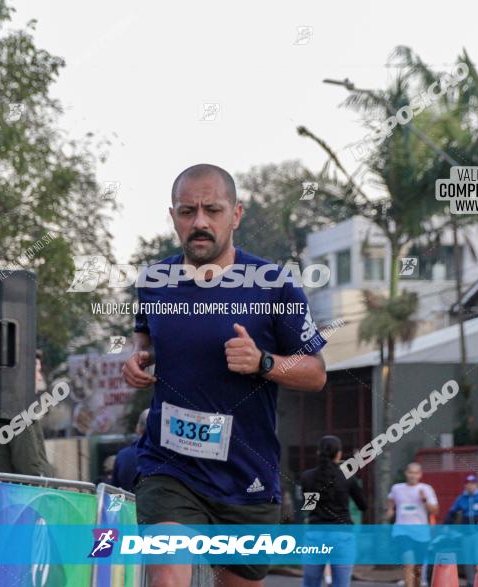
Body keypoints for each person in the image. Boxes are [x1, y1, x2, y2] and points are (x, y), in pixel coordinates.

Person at [122, 163, 327, 586]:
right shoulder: (155, 280)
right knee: (167, 573)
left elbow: (316, 373)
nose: (199, 222)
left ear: (236, 215)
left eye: (212, 210)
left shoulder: (274, 286)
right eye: (187, 211)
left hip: (246, 476)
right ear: (174, 216)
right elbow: (143, 335)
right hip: (169, 466)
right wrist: (136, 358)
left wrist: (264, 363)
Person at [299, 435, 367, 587]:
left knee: (310, 583)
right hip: (342, 536)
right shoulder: (347, 477)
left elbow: (308, 507)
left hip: (315, 536)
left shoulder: (307, 477)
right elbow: (363, 505)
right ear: (339, 454)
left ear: (318, 453)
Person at [0, 350, 55, 477]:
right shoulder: (19, 411)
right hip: (23, 494)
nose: (39, 377)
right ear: (23, 374)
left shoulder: (4, 407)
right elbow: (30, 468)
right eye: (37, 370)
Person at [387, 462, 438, 587]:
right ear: (406, 473)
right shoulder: (397, 488)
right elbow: (391, 499)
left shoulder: (426, 489)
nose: (412, 476)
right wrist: (390, 510)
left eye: (415, 473)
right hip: (402, 531)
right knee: (408, 561)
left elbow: (435, 510)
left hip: (421, 533)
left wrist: (424, 499)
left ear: (420, 475)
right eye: (410, 472)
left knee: (418, 568)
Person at [444, 474, 478, 585]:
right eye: (468, 484)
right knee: (467, 559)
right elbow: (452, 513)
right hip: (466, 533)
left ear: (476, 484)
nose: (470, 486)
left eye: (473, 483)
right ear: (465, 485)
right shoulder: (461, 498)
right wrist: (447, 526)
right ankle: (471, 582)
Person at [111, 408, 149, 492]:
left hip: (128, 504)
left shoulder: (122, 456)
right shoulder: (166, 457)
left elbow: (113, 491)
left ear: (138, 428)